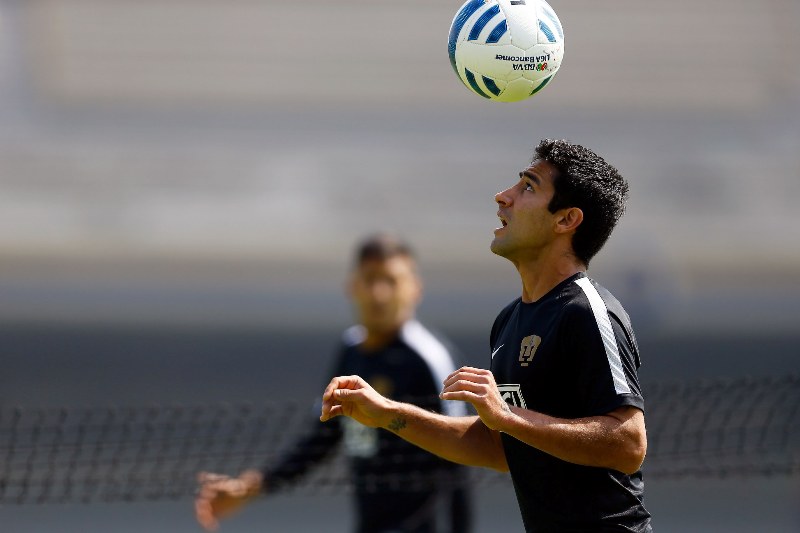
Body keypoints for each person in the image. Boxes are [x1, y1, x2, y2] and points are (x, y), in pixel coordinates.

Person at [320, 139, 653, 532]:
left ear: (566, 220)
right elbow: (496, 447)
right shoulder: (510, 320)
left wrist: (507, 416)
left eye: (528, 186)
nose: (503, 196)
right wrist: (389, 414)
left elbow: (629, 444)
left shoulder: (586, 311)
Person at [195, 234, 473, 533]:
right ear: (352, 287)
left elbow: (461, 454)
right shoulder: (351, 349)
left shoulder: (429, 358)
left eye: (391, 281)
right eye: (370, 279)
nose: (379, 293)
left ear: (415, 290)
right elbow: (321, 438)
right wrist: (251, 487)